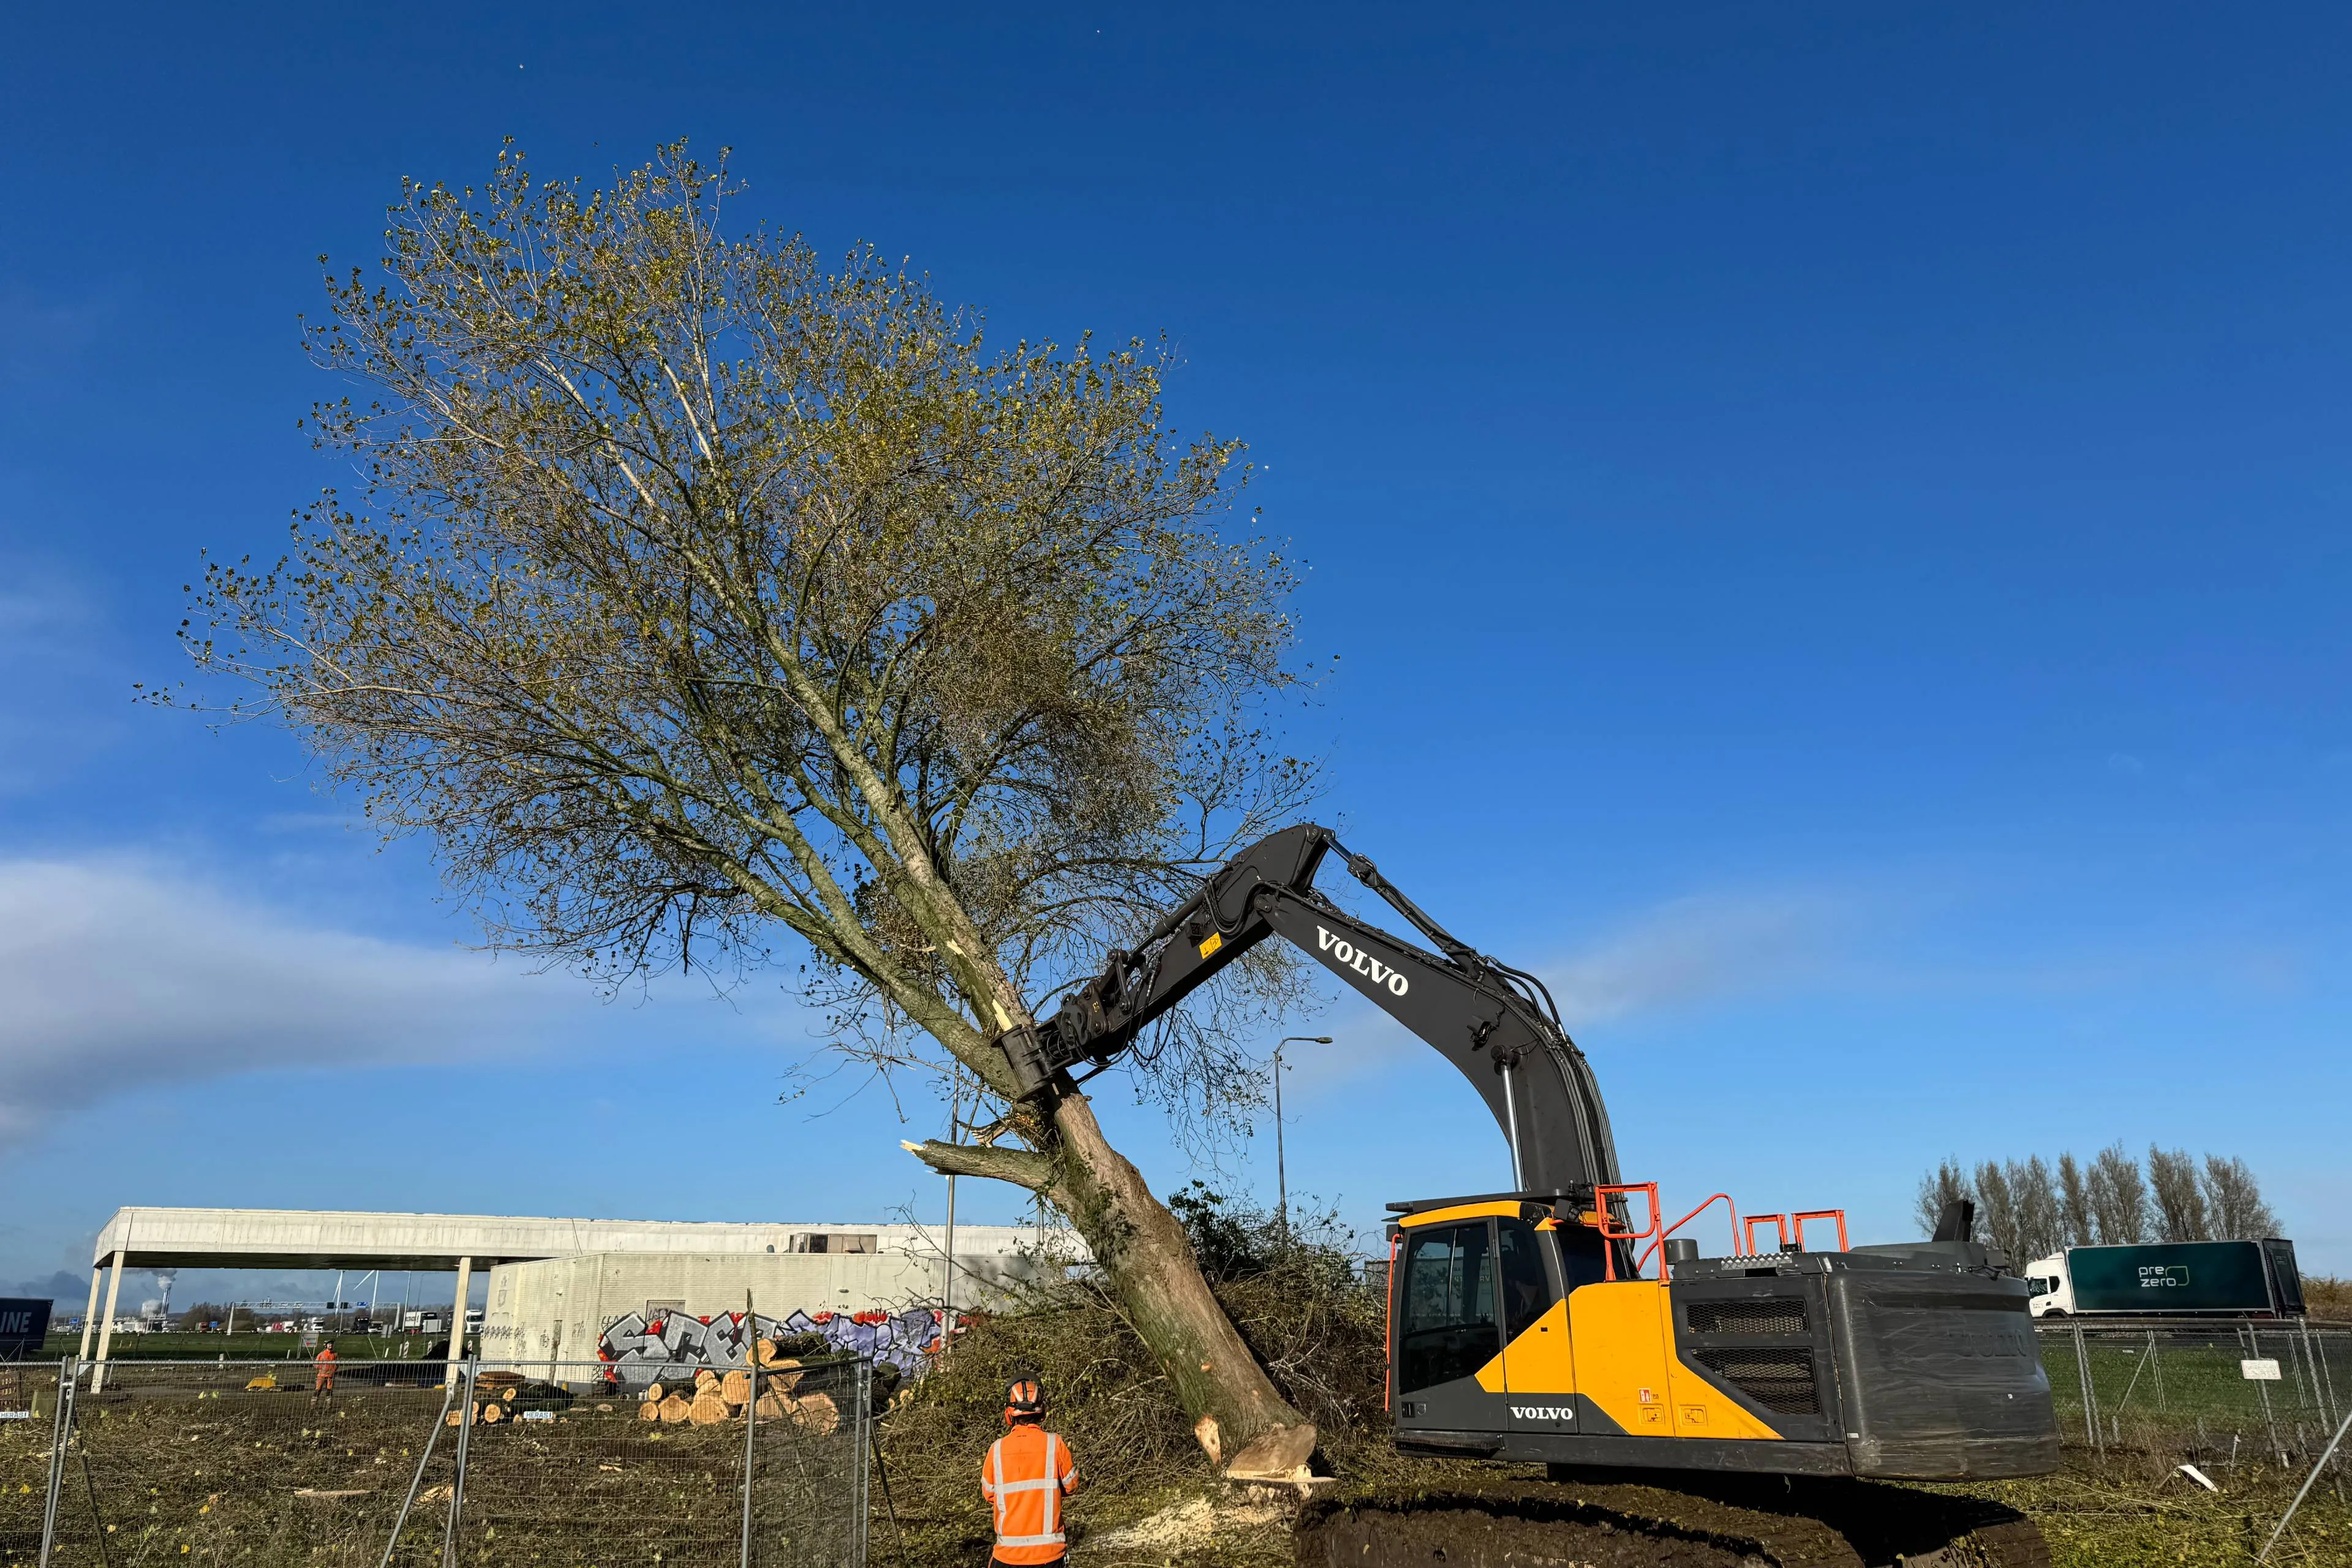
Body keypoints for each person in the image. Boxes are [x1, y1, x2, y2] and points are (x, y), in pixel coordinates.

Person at [979, 1375, 1078, 1567]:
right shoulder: (1055, 1444)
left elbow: (989, 1494)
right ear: (1042, 1412)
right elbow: (1071, 1486)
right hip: (1050, 1556)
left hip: (1008, 1556)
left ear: (1009, 1413)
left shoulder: (997, 1450)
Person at [311, 1343, 337, 1409]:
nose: (331, 1345)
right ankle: (313, 1405)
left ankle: (329, 1405)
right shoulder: (321, 1354)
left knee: (329, 1390)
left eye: (331, 1344)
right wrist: (321, 1368)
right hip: (322, 1375)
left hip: (330, 1376)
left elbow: (337, 1364)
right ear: (326, 1346)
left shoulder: (335, 1354)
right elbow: (315, 1364)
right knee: (318, 1390)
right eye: (329, 1344)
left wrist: (334, 1370)